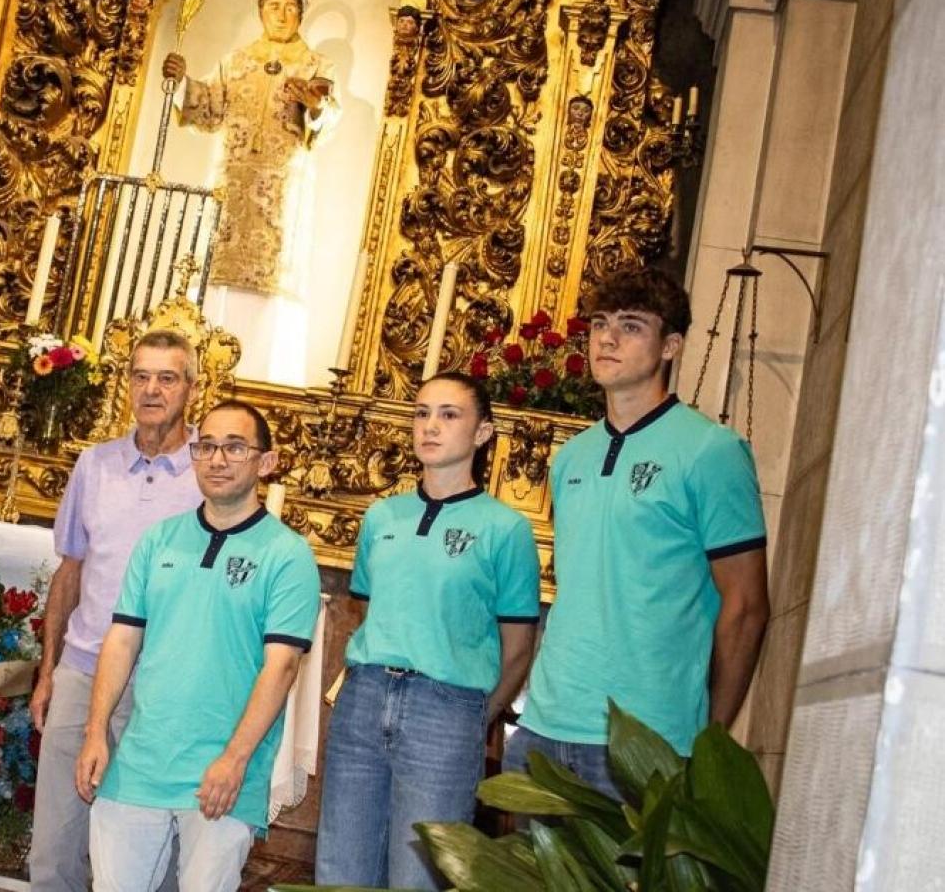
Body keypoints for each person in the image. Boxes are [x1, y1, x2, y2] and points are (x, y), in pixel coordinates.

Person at [507, 267, 769, 797]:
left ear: (670, 345)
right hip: (546, 723)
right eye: (600, 323)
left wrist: (708, 741)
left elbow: (746, 605)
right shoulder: (571, 457)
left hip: (648, 737)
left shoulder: (710, 452)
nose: (606, 337)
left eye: (631, 326)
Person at [77, 401, 320, 892]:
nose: (217, 459)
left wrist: (234, 760)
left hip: (223, 770)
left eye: (235, 447)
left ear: (265, 463)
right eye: (206, 446)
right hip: (142, 762)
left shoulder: (287, 554)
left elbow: (281, 669)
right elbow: (122, 639)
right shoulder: (160, 539)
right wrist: (96, 730)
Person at [315, 373, 540, 890]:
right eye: (421, 413)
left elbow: (519, 650)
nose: (430, 426)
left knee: (420, 875)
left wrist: (470, 717)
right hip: (365, 697)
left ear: (483, 432)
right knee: (339, 870)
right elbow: (370, 610)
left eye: (448, 414)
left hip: (446, 708)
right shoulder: (382, 516)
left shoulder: (505, 529)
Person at [30, 329, 202, 892]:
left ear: (192, 389)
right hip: (83, 670)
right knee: (55, 847)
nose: (152, 390)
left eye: (167, 378)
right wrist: (48, 669)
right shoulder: (95, 465)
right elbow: (70, 572)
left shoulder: (212, 471)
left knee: (154, 858)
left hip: (164, 685)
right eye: (140, 375)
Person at [162, 0, 337, 383]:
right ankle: (203, 373)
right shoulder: (237, 61)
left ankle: (264, 380)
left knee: (272, 285)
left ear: (301, 15)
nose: (282, 13)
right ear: (260, 11)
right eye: (274, 6)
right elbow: (206, 107)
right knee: (216, 278)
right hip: (231, 187)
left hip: (282, 192)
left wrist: (313, 103)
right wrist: (181, 80)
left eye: (291, 7)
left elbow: (327, 116)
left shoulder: (316, 65)